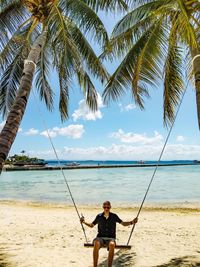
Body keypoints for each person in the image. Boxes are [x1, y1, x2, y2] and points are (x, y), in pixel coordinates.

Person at [80, 200, 138, 267]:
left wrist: (132, 222)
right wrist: (83, 222)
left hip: (111, 238)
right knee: (96, 243)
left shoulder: (114, 216)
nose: (106, 209)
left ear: (110, 207)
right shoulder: (99, 216)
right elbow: (91, 225)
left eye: (108, 207)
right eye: (105, 207)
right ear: (103, 207)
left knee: (112, 244)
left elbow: (123, 224)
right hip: (100, 238)